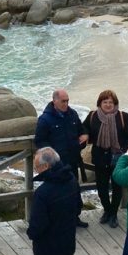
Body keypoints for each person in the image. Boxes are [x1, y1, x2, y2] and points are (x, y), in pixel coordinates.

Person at [34, 89, 89, 227]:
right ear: (55, 101)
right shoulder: (45, 119)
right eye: (63, 101)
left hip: (73, 161)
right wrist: (52, 156)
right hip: (56, 166)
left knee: (74, 191)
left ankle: (75, 218)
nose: (66, 104)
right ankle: (58, 221)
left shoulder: (72, 114)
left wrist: (85, 136)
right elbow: (40, 141)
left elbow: (82, 130)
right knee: (57, 194)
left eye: (67, 101)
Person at [83, 90, 128, 228]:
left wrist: (123, 150)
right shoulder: (93, 116)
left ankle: (113, 214)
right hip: (100, 156)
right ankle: (107, 210)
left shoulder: (123, 116)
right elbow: (83, 129)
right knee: (101, 187)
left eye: (110, 102)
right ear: (100, 103)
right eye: (104, 102)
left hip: (118, 157)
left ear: (115, 103)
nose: (107, 105)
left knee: (117, 186)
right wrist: (85, 136)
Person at [27, 147, 82, 255]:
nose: (36, 170)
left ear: (46, 166)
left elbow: (37, 226)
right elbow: (78, 207)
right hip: (68, 244)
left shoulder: (42, 193)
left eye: (37, 167)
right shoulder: (72, 179)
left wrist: (30, 233)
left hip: (47, 250)